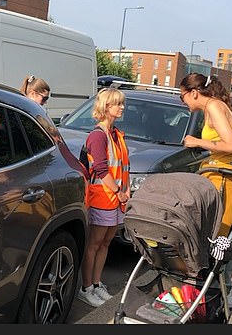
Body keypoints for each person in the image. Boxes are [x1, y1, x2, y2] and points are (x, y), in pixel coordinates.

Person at [178, 73, 232, 308]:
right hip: (223, 177)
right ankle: (215, 288)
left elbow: (230, 146)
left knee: (221, 238)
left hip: (229, 182)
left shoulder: (215, 108)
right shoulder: (214, 107)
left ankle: (222, 293)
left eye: (183, 97)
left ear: (194, 93)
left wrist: (197, 142)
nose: (184, 102)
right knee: (219, 236)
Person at [78, 88, 130, 308]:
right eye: (117, 104)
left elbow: (122, 167)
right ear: (106, 107)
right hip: (102, 198)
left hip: (115, 199)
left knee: (106, 243)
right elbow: (100, 169)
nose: (122, 107)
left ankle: (97, 284)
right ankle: (86, 287)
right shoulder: (98, 136)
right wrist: (120, 192)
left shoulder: (116, 134)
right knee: (95, 243)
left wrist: (123, 193)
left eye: (122, 103)